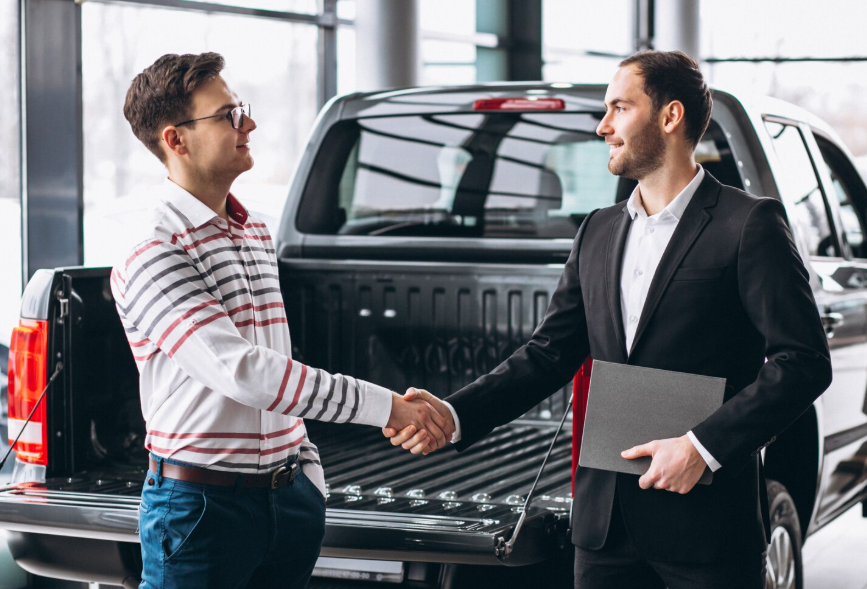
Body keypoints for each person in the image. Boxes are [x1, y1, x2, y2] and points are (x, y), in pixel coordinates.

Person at [385, 50, 832, 588]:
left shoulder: (748, 224)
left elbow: (802, 362)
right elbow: (549, 353)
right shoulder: (596, 231)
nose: (603, 127)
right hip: (604, 532)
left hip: (706, 528)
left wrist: (702, 447)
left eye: (619, 108)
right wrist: (454, 415)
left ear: (670, 117)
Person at [111, 52, 451, 589]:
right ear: (175, 140)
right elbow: (243, 371)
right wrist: (388, 407)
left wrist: (306, 473)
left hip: (288, 499)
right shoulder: (155, 246)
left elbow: (277, 360)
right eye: (227, 115)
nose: (248, 123)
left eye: (239, 109)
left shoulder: (253, 231)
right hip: (200, 509)